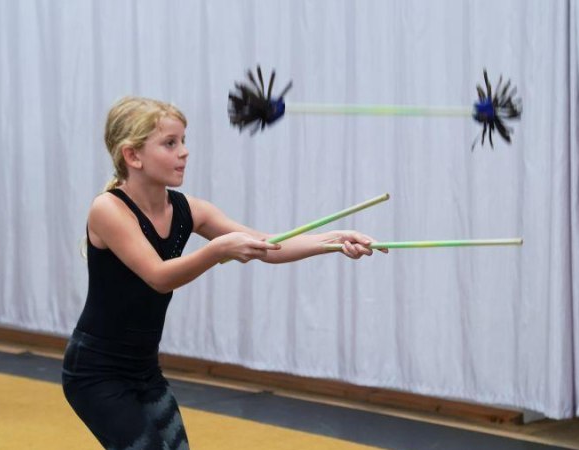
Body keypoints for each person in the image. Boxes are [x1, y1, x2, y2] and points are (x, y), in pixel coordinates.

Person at [63, 96, 387, 448]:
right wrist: (217, 250)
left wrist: (335, 239)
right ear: (132, 156)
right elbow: (158, 276)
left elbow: (269, 244)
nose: (184, 152)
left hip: (143, 370)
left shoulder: (189, 210)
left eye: (183, 141)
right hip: (95, 373)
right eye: (170, 143)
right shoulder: (108, 209)